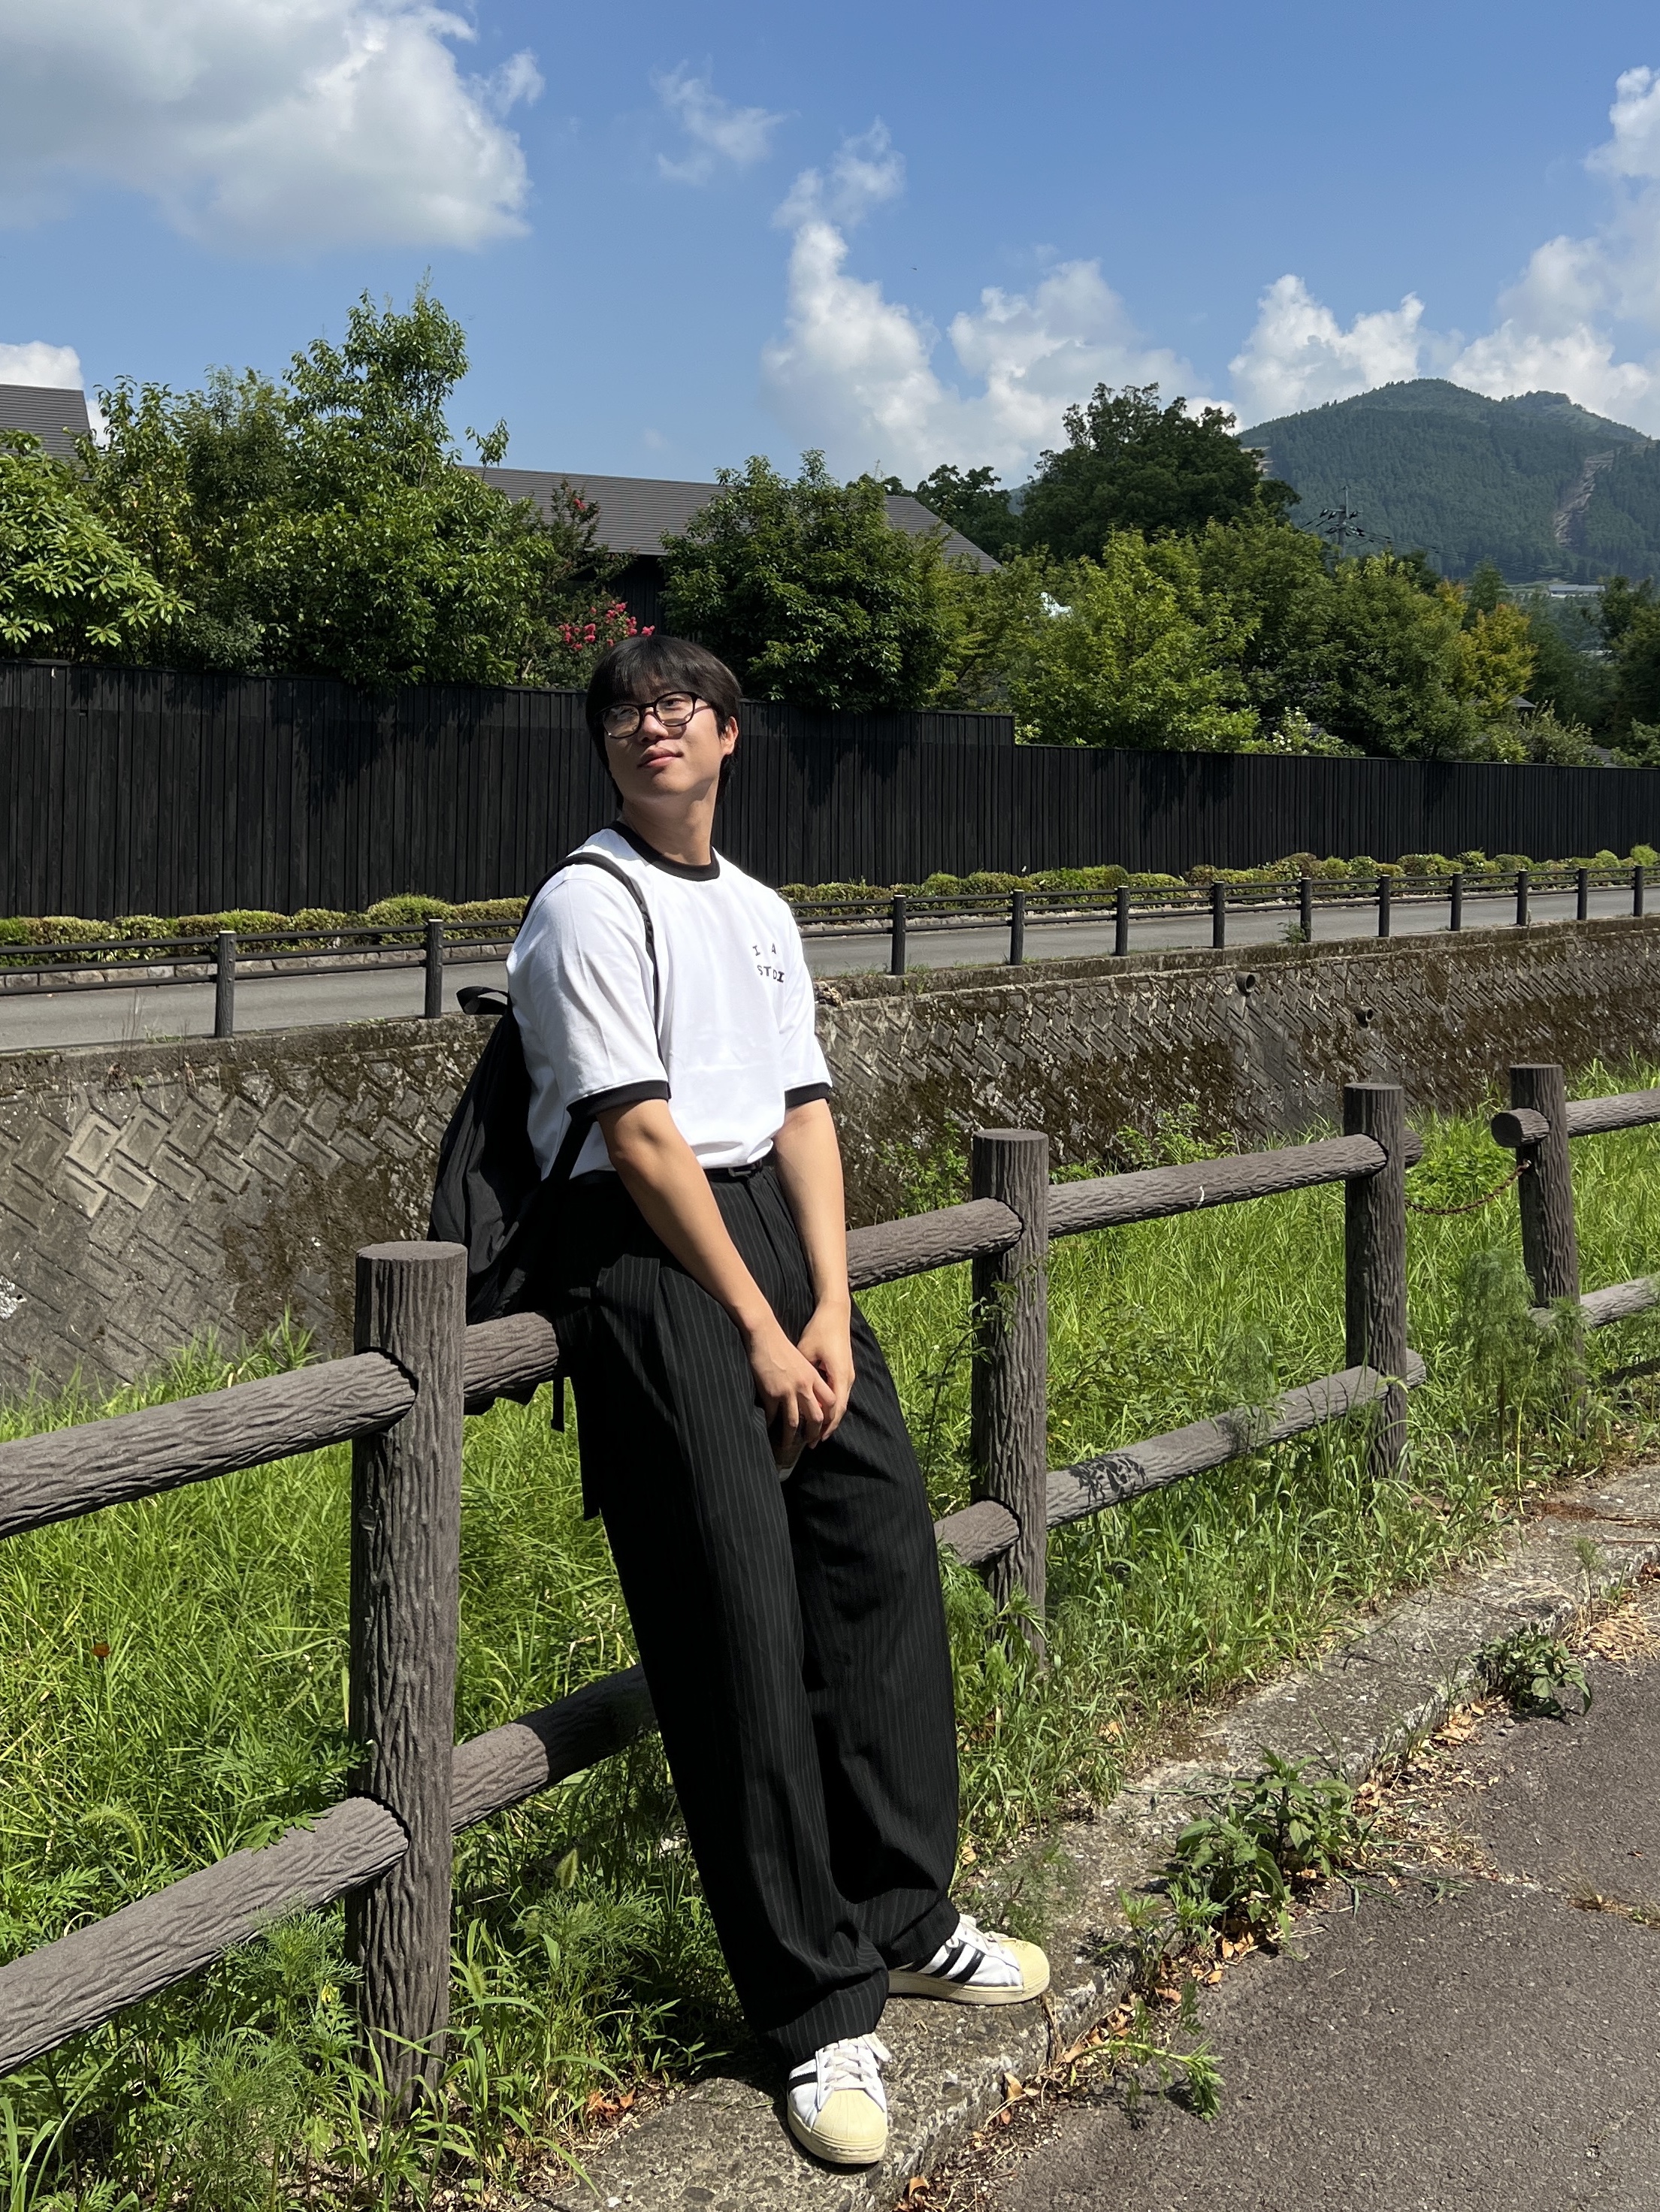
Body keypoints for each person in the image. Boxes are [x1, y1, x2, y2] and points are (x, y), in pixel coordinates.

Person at [507, 634, 1049, 2168]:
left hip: (778, 1246)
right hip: (650, 1256)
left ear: (730, 735)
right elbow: (645, 1139)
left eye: (678, 703)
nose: (648, 721)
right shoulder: (582, 905)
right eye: (622, 710)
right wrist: (753, 1322)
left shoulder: (755, 909)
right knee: (735, 1622)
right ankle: (816, 2014)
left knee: (879, 1561)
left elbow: (805, 1109)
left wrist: (830, 1303)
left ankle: (902, 1908)